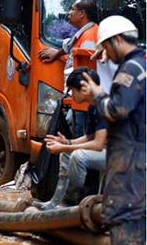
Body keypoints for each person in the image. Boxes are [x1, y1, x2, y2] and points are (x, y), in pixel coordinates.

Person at [80, 16, 145, 245]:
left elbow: (117, 109)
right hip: (138, 151)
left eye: (107, 46)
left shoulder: (131, 68)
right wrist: (104, 61)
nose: (105, 52)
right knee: (136, 216)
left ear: (117, 40)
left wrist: (96, 95)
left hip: (129, 153)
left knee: (120, 216)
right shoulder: (141, 62)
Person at [39, 0, 117, 137]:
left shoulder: (89, 36)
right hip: (81, 101)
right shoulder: (85, 33)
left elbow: (86, 66)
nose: (68, 13)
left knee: (80, 140)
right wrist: (57, 54)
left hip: (84, 104)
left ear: (82, 14)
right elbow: (70, 48)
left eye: (72, 9)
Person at [34, 67, 107, 210]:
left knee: (78, 156)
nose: (71, 95)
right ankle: (57, 202)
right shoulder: (93, 107)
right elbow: (91, 137)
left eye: (73, 90)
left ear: (83, 89)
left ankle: (73, 202)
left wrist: (65, 147)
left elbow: (98, 144)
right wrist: (67, 143)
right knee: (67, 154)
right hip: (108, 150)